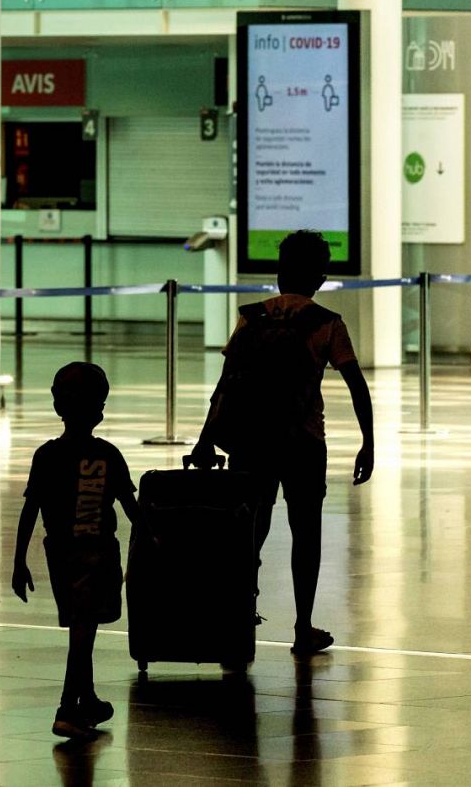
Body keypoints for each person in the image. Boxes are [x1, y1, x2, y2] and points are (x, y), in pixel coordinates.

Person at [192, 230, 373, 657]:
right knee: (305, 533)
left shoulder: (252, 317)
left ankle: (235, 619)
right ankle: (302, 626)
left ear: (279, 272)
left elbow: (227, 383)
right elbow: (356, 385)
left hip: (250, 440)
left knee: (248, 532)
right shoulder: (327, 323)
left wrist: (205, 438)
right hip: (303, 443)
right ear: (321, 276)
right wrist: (369, 442)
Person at [12, 362, 141, 740]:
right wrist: (153, 541)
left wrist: (19, 561)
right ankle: (68, 707)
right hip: (98, 554)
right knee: (84, 632)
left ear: (58, 407)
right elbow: (132, 510)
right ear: (100, 411)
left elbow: (29, 510)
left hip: (61, 554)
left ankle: (88, 699)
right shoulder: (109, 455)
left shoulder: (46, 455)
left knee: (81, 626)